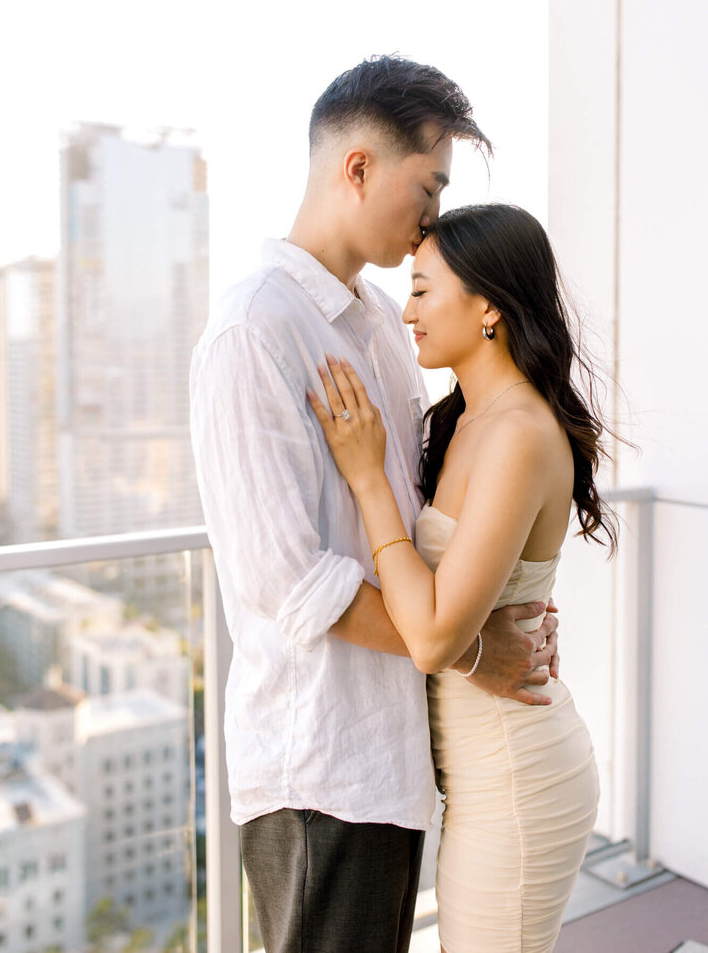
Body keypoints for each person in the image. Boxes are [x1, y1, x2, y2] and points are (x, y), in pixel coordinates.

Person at [189, 58, 560, 953]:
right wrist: (474, 651)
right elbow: (293, 582)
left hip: (397, 759)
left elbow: (423, 519)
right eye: (427, 185)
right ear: (357, 168)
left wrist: (490, 612)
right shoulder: (255, 331)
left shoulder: (383, 330)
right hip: (318, 767)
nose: (433, 215)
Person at [309, 202, 607, 953]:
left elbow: (437, 633)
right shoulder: (464, 420)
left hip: (517, 774)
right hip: (478, 774)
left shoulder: (517, 431)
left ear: (488, 308)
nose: (406, 311)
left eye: (421, 289)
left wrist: (368, 478)